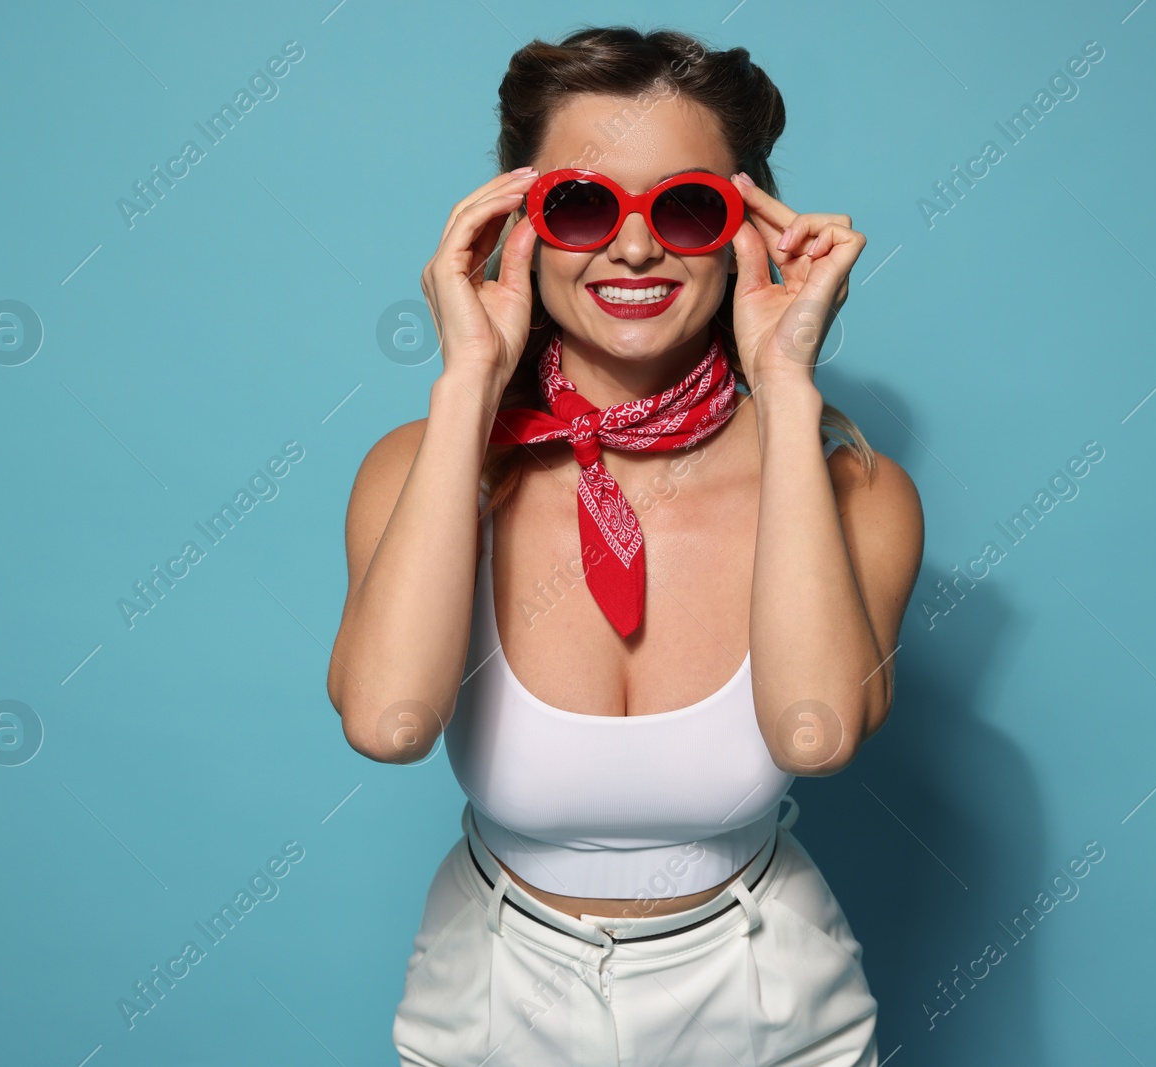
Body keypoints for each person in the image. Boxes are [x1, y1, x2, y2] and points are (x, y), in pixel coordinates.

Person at [327, 25, 924, 1067]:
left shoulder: (852, 488)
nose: (636, 247)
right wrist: (468, 378)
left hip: (766, 997)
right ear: (518, 226)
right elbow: (387, 721)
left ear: (751, 230)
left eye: (690, 208)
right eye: (582, 204)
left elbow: (816, 736)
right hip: (493, 995)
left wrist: (785, 387)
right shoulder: (422, 466)